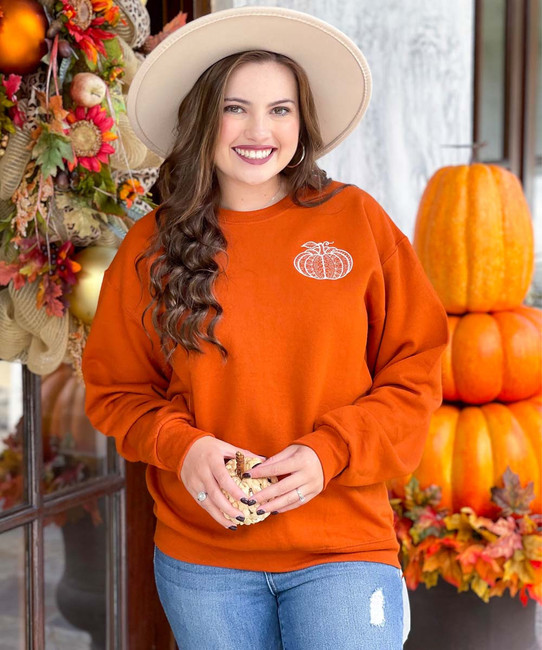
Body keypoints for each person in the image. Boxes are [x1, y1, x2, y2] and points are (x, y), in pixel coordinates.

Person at [82, 7, 448, 649]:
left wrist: (328, 451)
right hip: (204, 562)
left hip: (342, 548)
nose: (259, 130)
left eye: (280, 109)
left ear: (301, 121)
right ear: (203, 117)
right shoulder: (150, 245)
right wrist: (184, 448)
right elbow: (116, 393)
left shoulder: (355, 222)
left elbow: (414, 374)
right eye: (235, 107)